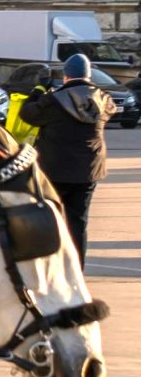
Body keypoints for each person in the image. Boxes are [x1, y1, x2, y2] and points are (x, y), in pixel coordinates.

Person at [27, 53, 112, 258]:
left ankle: (53, 268)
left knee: (51, 219)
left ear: (66, 75)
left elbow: (28, 114)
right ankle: (77, 270)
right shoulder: (104, 100)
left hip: (55, 170)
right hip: (88, 171)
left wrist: (39, 89)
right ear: (89, 75)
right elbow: (109, 111)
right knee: (78, 221)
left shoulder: (53, 101)